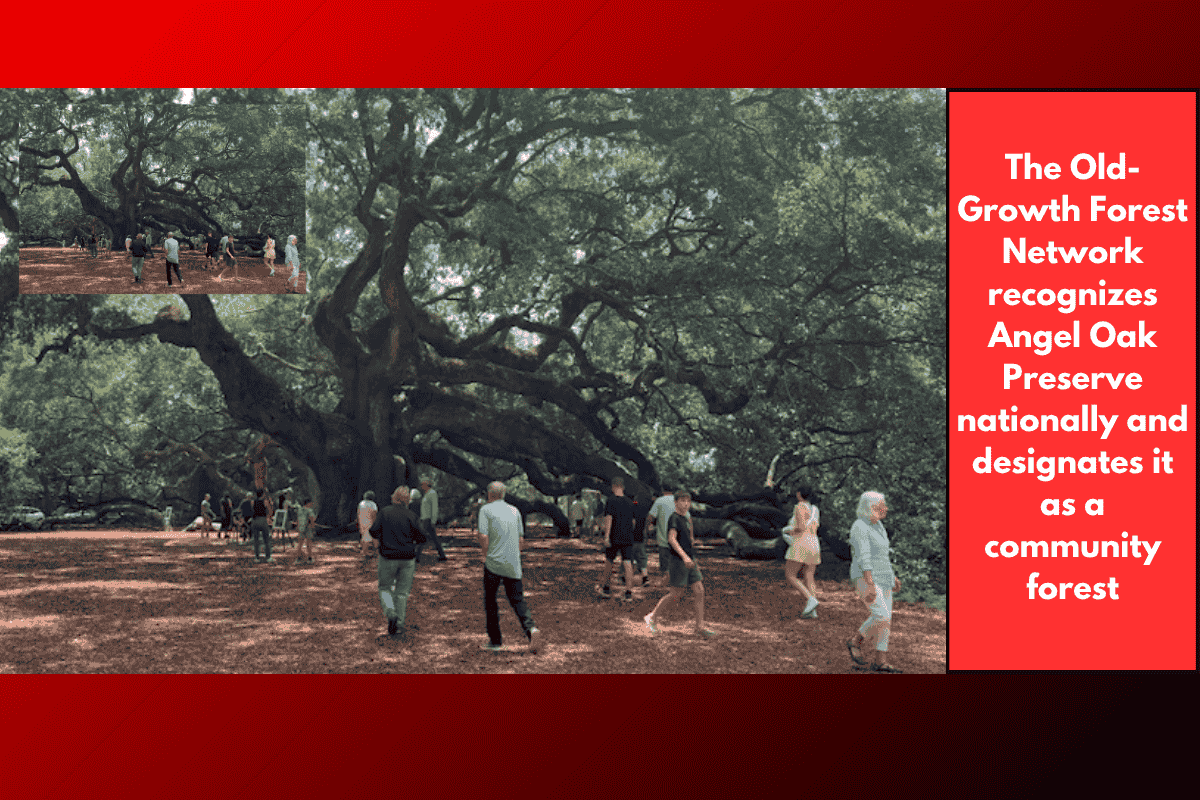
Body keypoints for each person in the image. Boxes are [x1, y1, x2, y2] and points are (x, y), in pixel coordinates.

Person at [477, 481, 540, 653]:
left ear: (490, 494)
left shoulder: (485, 510)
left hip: (493, 563)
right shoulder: (515, 511)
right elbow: (521, 539)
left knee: (490, 600)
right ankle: (531, 629)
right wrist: (516, 556)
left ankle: (495, 640)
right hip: (513, 563)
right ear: (504, 494)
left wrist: (485, 554)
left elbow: (483, 536)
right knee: (518, 600)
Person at [644, 490, 716, 639]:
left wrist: (691, 549)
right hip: (679, 561)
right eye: (682, 501)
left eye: (688, 501)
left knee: (699, 590)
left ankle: (699, 627)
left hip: (691, 559)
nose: (686, 504)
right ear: (676, 502)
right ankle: (651, 617)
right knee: (676, 594)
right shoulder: (674, 518)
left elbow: (687, 537)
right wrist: (684, 557)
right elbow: (671, 539)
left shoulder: (685, 518)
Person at [847, 491, 903, 673]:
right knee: (881, 615)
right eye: (882, 505)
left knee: (886, 620)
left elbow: (883, 556)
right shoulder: (860, 526)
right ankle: (856, 641)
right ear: (870, 506)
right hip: (865, 577)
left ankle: (880, 661)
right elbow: (864, 557)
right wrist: (870, 584)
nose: (885, 508)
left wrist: (892, 576)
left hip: (883, 577)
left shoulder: (878, 525)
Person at [369, 486, 423, 639]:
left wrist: (383, 538)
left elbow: (373, 531)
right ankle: (399, 623)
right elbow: (422, 536)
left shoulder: (385, 512)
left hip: (388, 556)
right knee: (402, 592)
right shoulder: (411, 515)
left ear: (395, 498)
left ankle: (390, 612)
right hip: (407, 557)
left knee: (385, 587)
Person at [597, 476, 637, 602]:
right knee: (627, 562)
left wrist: (606, 536)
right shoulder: (630, 502)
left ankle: (606, 587)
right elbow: (634, 521)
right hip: (627, 536)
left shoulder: (610, 500)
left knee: (609, 561)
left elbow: (609, 519)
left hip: (614, 535)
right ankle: (629, 592)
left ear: (613, 487)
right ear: (623, 487)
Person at [784, 485, 821, 619]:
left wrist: (788, 531)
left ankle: (810, 599)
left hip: (802, 542)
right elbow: (814, 527)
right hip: (814, 543)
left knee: (790, 575)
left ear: (799, 494)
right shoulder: (815, 509)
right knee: (809, 575)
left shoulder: (800, 506)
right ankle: (812, 611)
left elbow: (800, 528)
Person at [645, 485, 675, 583]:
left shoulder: (659, 501)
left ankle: (665, 579)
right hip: (678, 537)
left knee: (664, 560)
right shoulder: (679, 501)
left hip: (663, 537)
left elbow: (651, 516)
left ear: (663, 490)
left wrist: (647, 528)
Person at [415, 478, 447, 562]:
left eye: (422, 484)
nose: (421, 486)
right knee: (434, 538)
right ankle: (442, 556)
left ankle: (416, 557)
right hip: (424, 519)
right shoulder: (426, 494)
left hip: (428, 520)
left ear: (427, 485)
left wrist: (433, 521)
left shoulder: (432, 493)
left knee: (421, 536)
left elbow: (434, 508)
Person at [249, 488, 274, 563]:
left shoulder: (253, 502)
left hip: (255, 520)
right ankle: (268, 557)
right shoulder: (265, 501)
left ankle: (257, 557)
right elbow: (270, 511)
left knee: (256, 540)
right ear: (262, 494)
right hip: (263, 520)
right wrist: (268, 517)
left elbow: (252, 510)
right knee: (266, 539)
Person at [293, 497, 317, 565]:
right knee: (308, 543)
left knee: (300, 544)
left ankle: (298, 558)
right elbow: (312, 519)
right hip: (308, 528)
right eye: (311, 503)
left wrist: (298, 527)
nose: (312, 504)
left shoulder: (299, 510)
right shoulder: (309, 510)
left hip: (301, 528)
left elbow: (297, 519)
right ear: (308, 503)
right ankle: (309, 558)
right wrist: (313, 528)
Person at [357, 490, 378, 564]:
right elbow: (374, 514)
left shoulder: (361, 503)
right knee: (374, 537)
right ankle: (376, 552)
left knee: (364, 537)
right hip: (370, 522)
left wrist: (359, 522)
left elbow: (358, 513)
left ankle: (365, 552)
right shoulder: (373, 504)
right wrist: (375, 523)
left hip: (362, 521)